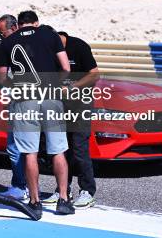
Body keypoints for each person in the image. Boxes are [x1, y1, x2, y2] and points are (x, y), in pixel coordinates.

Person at [0, 10, 75, 219]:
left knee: (29, 152)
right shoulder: (50, 35)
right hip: (50, 94)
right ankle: (64, 200)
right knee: (58, 150)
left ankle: (34, 201)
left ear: (18, 25)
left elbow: (3, 78)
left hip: (24, 98)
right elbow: (66, 67)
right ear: (36, 23)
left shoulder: (8, 42)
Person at [41, 31, 99, 208]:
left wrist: (73, 87)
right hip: (59, 105)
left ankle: (87, 191)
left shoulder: (79, 46)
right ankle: (63, 190)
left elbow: (94, 74)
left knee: (79, 148)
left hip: (81, 104)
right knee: (60, 149)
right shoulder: (49, 50)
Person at [0, 14, 28, 201]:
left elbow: (1, 78)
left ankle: (19, 186)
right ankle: (26, 186)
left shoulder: (9, 46)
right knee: (26, 147)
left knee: (15, 146)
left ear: (14, 27)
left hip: (21, 102)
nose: (1, 38)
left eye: (2, 33)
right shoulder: (35, 43)